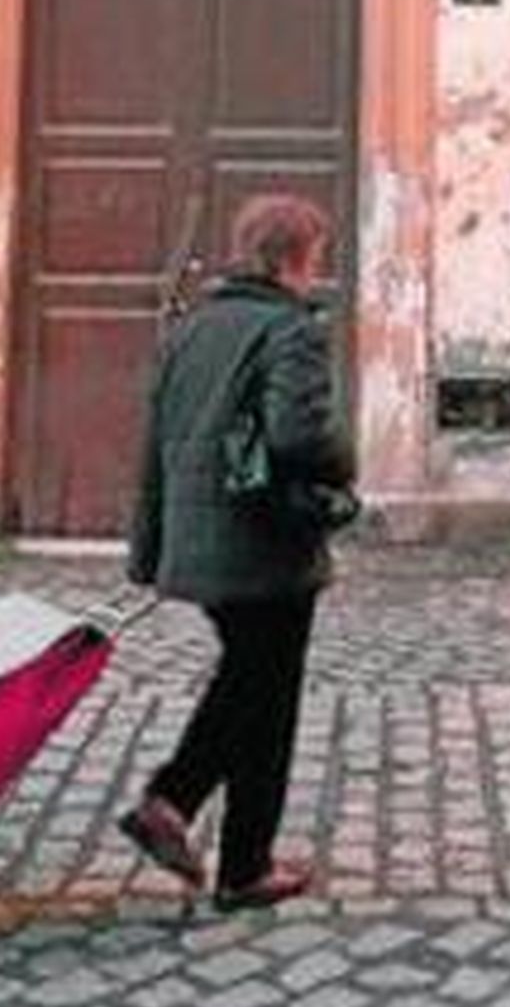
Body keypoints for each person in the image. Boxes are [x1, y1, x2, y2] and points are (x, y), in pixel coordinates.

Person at [121, 191, 356, 909]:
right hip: (265, 541)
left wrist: (150, 545)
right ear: (293, 260)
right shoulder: (291, 332)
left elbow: (155, 443)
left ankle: (233, 854)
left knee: (254, 681)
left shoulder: (193, 327)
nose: (318, 274)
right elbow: (297, 436)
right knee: (264, 691)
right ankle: (185, 813)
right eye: (316, 259)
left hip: (202, 540)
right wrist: (343, 462)